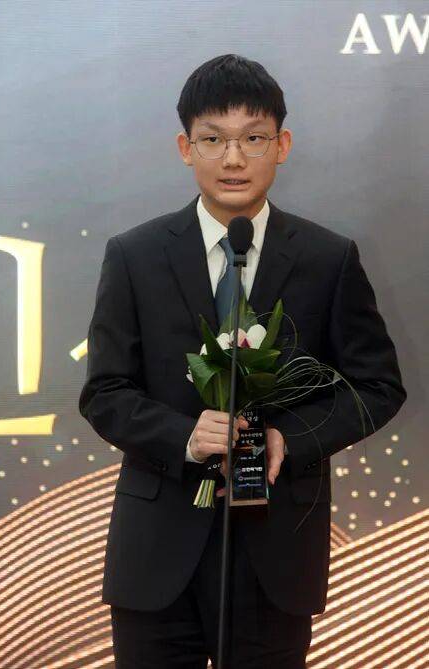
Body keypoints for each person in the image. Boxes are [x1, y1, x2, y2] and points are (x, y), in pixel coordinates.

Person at [78, 54, 407, 668]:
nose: (234, 159)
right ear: (186, 148)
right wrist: (184, 436)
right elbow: (104, 392)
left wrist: (289, 438)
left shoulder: (328, 259)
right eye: (214, 139)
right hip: (157, 553)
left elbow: (377, 387)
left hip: (276, 552)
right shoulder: (135, 256)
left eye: (253, 138)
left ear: (282, 145)